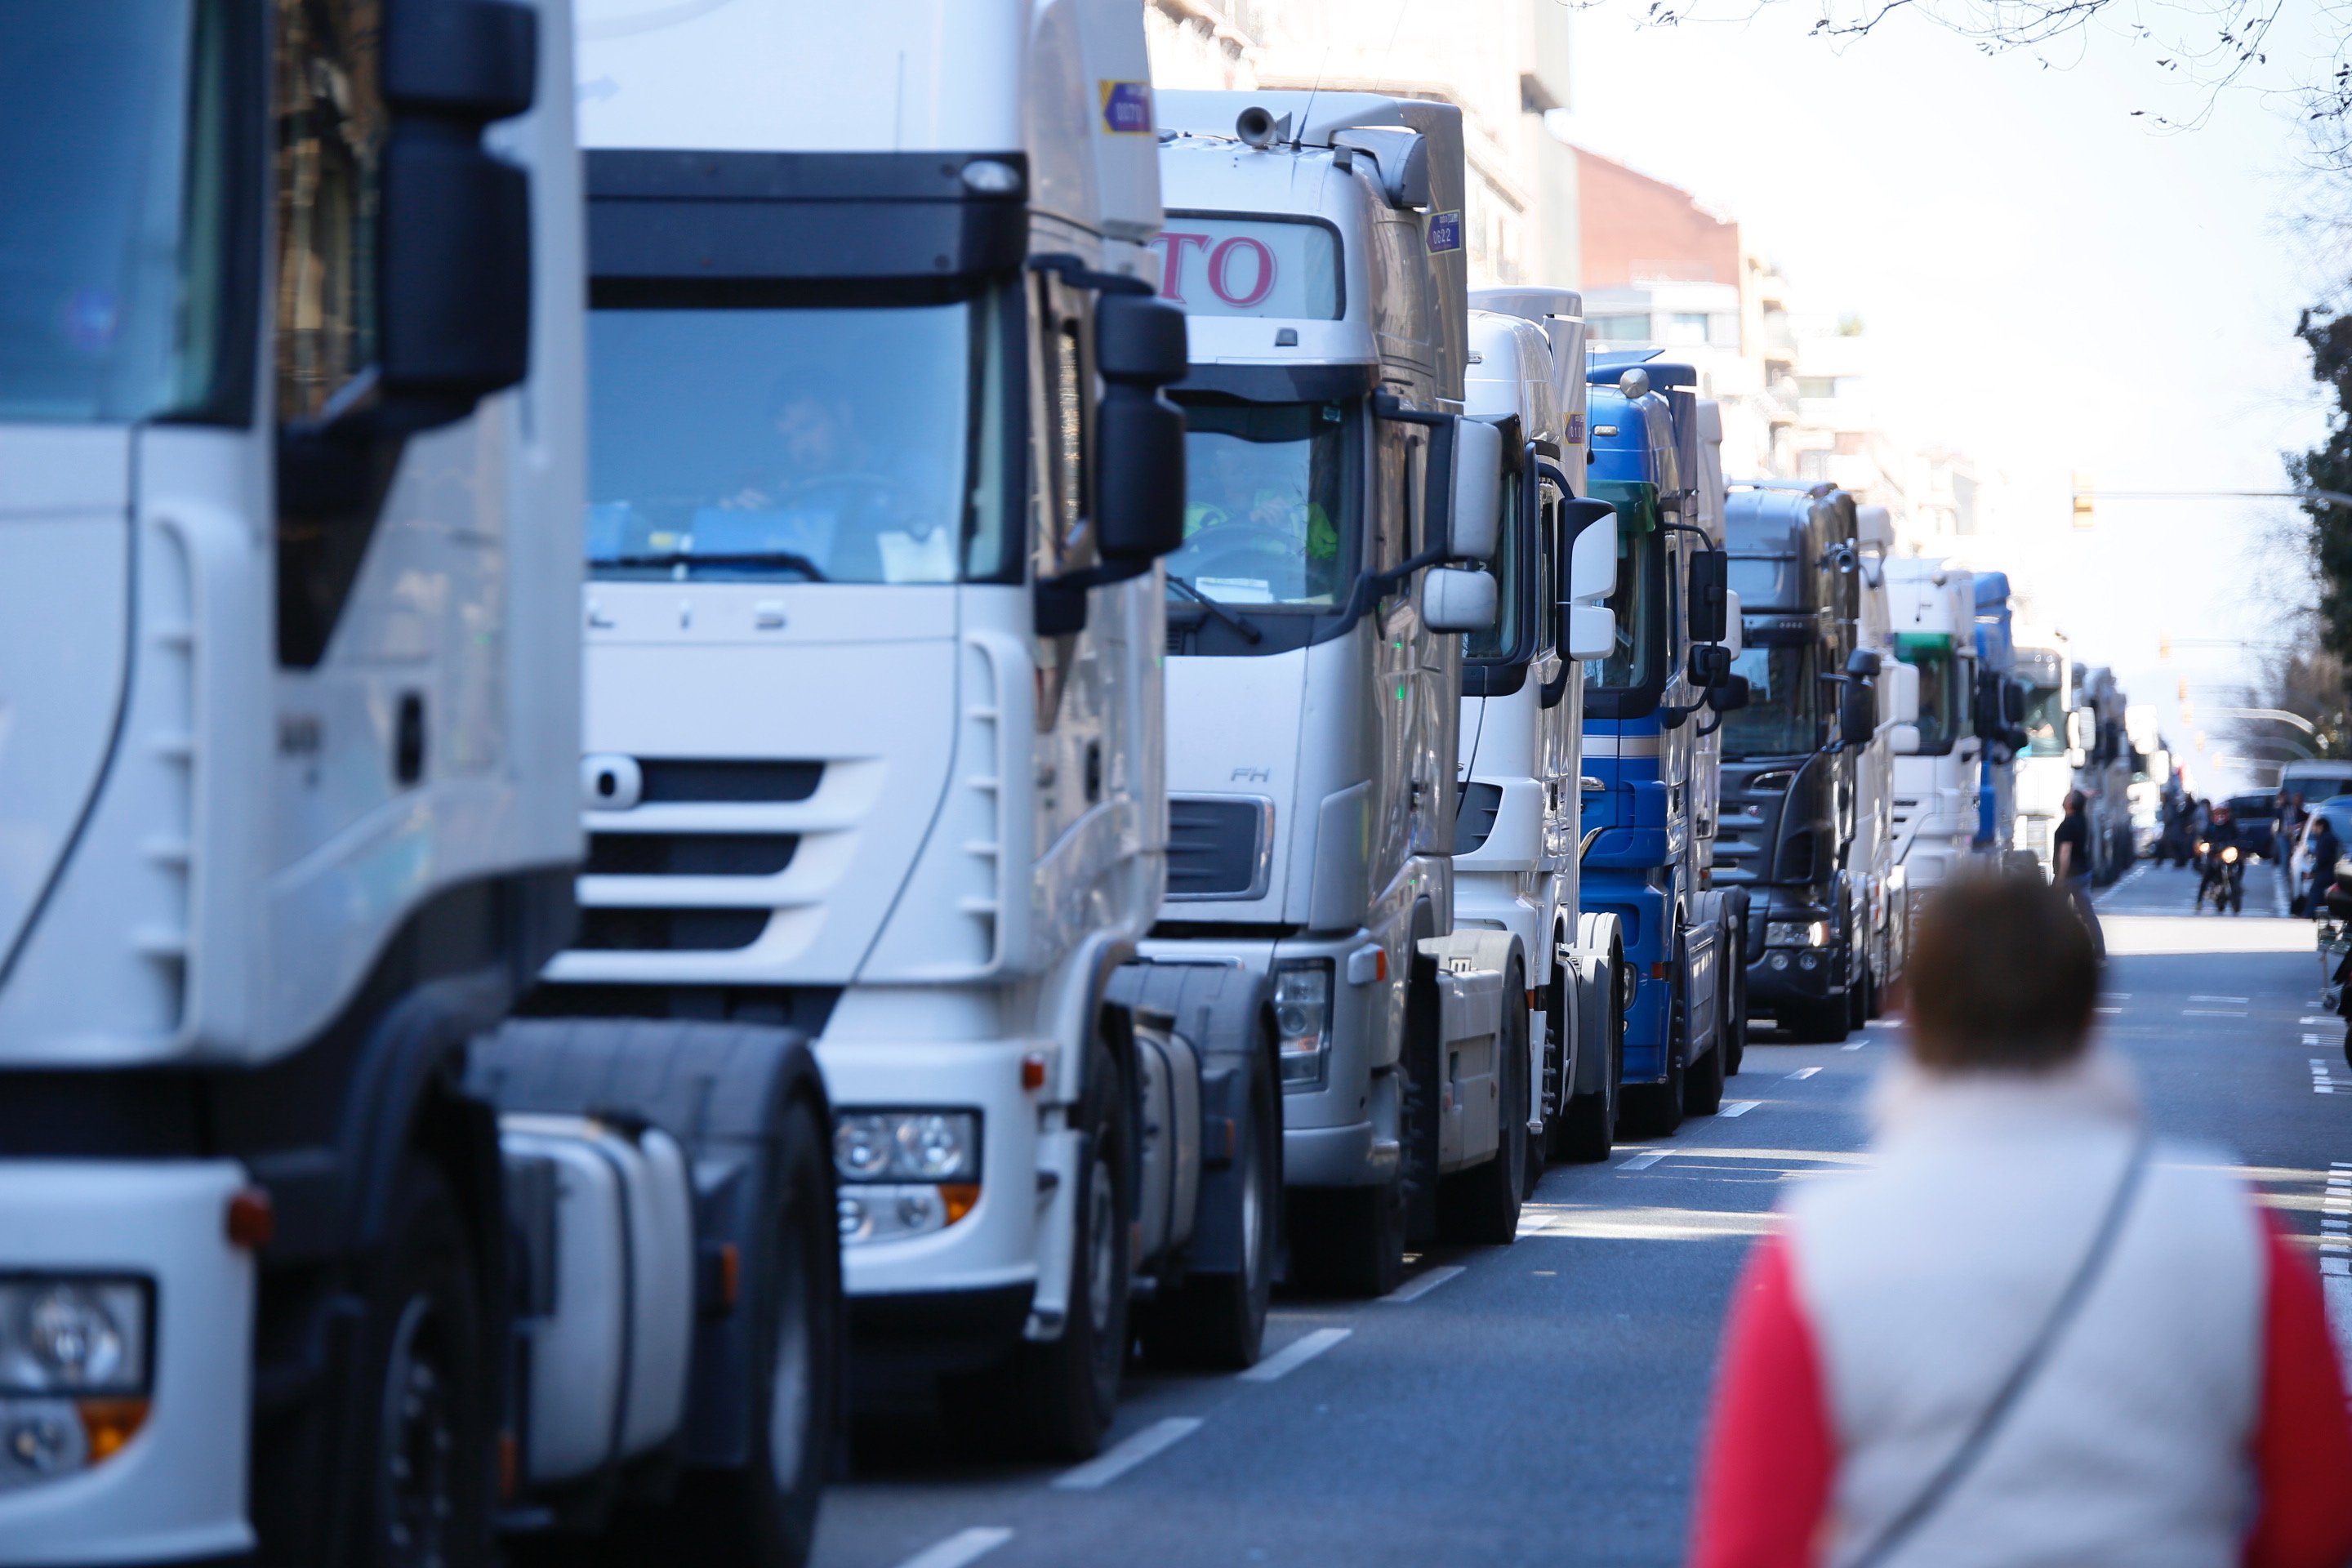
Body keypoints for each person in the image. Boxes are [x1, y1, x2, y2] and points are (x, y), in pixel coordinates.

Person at [1688, 872, 2352, 1568]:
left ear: (1907, 1014)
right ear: (2092, 1015)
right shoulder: (2230, 1231)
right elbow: (2320, 1509)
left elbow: (1753, 1545)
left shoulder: (1821, 1244)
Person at [2050, 789, 2103, 958]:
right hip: (2083, 873)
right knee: (2088, 914)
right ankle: (2099, 951)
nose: (2064, 798)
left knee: (2051, 911)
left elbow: (2065, 853)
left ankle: (2049, 951)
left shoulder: (2067, 825)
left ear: (2070, 804)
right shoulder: (2082, 820)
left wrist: (2060, 877)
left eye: (2067, 797)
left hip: (2069, 876)